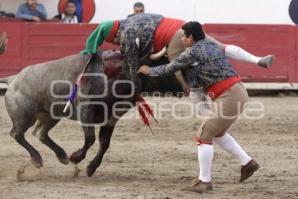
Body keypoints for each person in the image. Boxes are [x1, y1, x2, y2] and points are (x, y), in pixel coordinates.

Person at [137, 21, 260, 193]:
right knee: (217, 133)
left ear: (191, 37)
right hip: (236, 91)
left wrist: (148, 71)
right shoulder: (211, 44)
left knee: (204, 135)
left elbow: (170, 68)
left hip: (228, 96)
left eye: (183, 36)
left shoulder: (193, 52)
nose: (181, 39)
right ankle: (248, 163)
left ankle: (205, 181)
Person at [81, 14, 274, 93]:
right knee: (221, 46)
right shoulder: (133, 20)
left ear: (113, 34)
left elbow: (133, 66)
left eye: (113, 40)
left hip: (172, 37)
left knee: (175, 64)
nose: (115, 43)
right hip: (179, 25)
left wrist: (135, 83)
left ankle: (188, 91)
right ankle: (258, 60)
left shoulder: (126, 35)